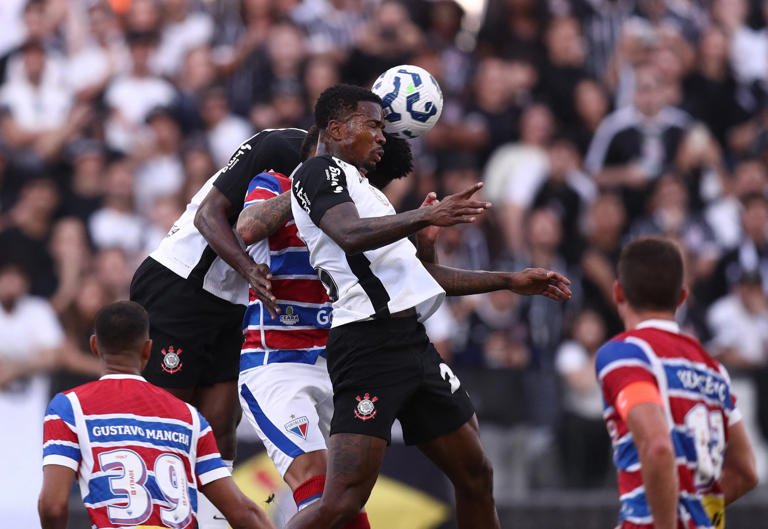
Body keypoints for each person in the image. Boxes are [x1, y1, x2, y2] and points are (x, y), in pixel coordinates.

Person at [236, 125, 570, 527]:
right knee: (330, 493)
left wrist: (497, 275)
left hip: (377, 348)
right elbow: (249, 227)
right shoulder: (283, 184)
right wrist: (311, 194)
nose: (380, 139)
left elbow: (412, 275)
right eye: (372, 127)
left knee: (473, 473)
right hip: (287, 361)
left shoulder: (367, 201)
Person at [129, 126, 305, 528]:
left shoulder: (349, 179)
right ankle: (146, 520)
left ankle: (210, 523)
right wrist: (249, 271)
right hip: (181, 283)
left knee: (220, 425)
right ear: (336, 128)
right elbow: (210, 216)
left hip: (234, 300)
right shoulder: (278, 144)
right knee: (168, 422)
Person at [37, 301, 275, 529]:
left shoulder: (69, 407)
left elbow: (53, 506)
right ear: (148, 349)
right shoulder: (189, 417)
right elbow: (244, 513)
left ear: (94, 346)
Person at [595, 237, 758, 529]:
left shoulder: (625, 353)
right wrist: (700, 518)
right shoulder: (714, 368)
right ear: (682, 297)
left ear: (618, 292)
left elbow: (658, 446)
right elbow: (745, 471)